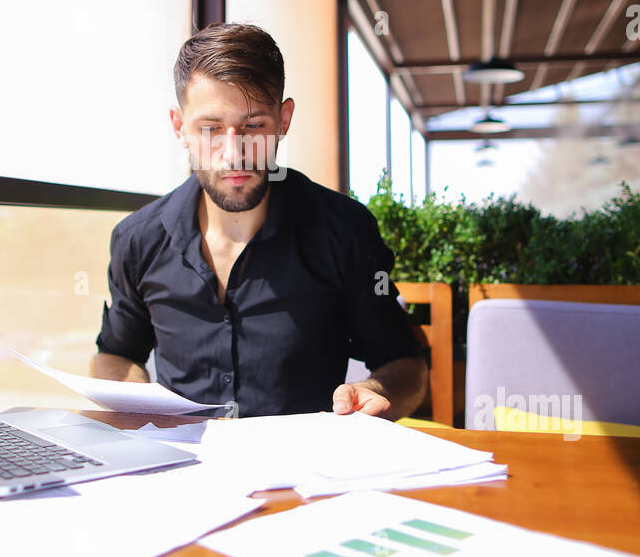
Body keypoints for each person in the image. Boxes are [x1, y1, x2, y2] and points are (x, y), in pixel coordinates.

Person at [90, 22, 428, 419]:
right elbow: (115, 355)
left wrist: (372, 392)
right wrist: (137, 409)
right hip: (182, 470)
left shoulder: (344, 231)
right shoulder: (138, 240)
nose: (234, 153)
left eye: (254, 125)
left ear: (283, 120)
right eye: (211, 128)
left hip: (305, 471)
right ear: (180, 127)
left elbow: (405, 366)